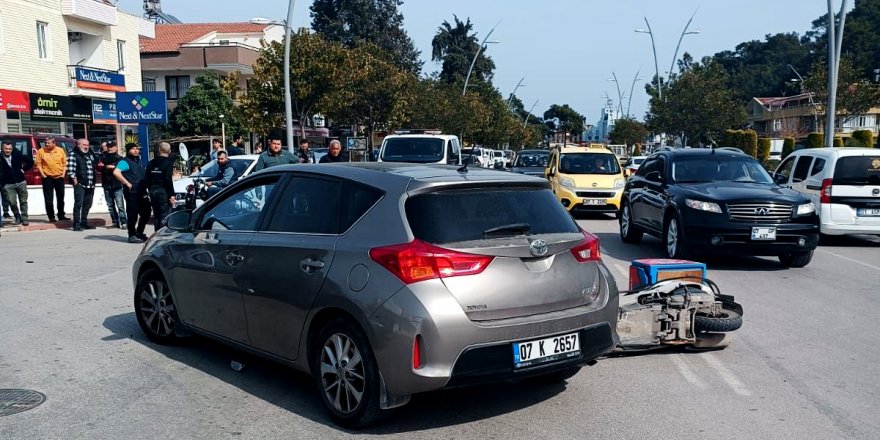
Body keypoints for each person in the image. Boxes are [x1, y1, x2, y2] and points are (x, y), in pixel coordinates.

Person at [113, 143, 151, 243]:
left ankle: (139, 232)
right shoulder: (124, 162)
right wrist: (127, 183)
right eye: (133, 149)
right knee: (132, 214)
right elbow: (116, 172)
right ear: (128, 150)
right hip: (132, 192)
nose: (136, 150)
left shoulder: (139, 161)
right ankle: (132, 235)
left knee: (146, 212)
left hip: (142, 191)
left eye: (137, 149)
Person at [0, 140, 34, 226]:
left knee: (23, 201)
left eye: (10, 149)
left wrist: (23, 170)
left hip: (21, 181)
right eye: (6, 148)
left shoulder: (17, 154)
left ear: (12, 149)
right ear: (2, 148)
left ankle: (25, 218)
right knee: (12, 202)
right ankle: (17, 216)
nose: (8, 150)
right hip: (8, 184)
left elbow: (30, 161)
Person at [35, 137, 69, 222]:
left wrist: (63, 175)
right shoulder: (41, 151)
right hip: (48, 177)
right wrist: (43, 175)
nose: (46, 144)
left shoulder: (60, 150)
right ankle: (51, 217)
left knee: (61, 198)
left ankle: (61, 215)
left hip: (59, 177)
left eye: (48, 143)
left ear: (54, 143)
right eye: (45, 143)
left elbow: (65, 163)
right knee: (49, 199)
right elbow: (38, 164)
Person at [144, 142, 176, 231]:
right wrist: (172, 195)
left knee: (156, 215)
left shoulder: (151, 163)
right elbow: (168, 180)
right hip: (163, 191)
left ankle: (156, 234)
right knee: (164, 215)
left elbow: (146, 178)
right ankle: (162, 235)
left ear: (159, 150)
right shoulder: (169, 163)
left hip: (153, 191)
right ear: (169, 151)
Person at [68, 138, 98, 231]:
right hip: (80, 184)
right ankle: (76, 224)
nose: (86, 147)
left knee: (88, 204)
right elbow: (71, 170)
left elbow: (94, 165)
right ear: (78, 145)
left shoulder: (90, 155)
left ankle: (84, 222)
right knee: (78, 204)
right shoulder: (73, 154)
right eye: (84, 145)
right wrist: (75, 182)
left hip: (90, 183)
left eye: (87, 145)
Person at [101, 142, 127, 229]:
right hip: (106, 184)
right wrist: (106, 167)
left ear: (116, 148)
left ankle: (124, 222)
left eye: (111, 147)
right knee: (110, 206)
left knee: (120, 205)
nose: (110, 148)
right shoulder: (103, 157)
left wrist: (111, 167)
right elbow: (99, 167)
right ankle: (115, 222)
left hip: (117, 184)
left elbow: (122, 169)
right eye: (108, 147)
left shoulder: (120, 158)